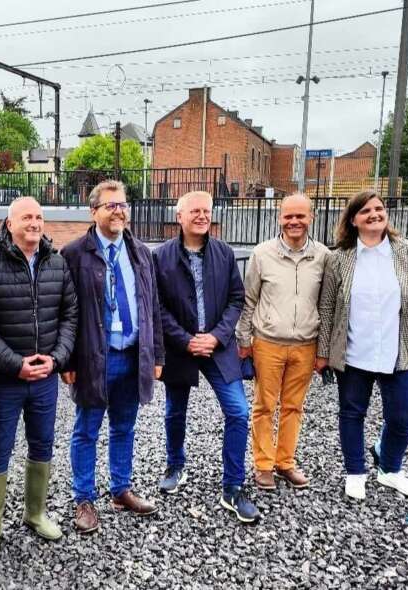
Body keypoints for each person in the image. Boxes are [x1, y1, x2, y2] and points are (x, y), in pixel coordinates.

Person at [0, 196, 77, 559]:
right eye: (26, 216)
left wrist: (57, 359)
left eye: (39, 216)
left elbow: (69, 315)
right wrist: (15, 363)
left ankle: (35, 513)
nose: (34, 222)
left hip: (45, 378)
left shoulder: (56, 263)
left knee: (42, 445)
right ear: (9, 224)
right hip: (7, 380)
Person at [317, 190, 408, 501]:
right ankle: (355, 471)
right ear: (353, 220)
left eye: (379, 208)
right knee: (352, 413)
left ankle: (390, 468)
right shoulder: (338, 259)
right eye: (365, 210)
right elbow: (327, 307)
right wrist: (325, 352)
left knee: (404, 415)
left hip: (401, 353)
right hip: (354, 352)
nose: (374, 214)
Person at [61, 180, 164, 534]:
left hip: (133, 356)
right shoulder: (75, 254)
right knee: (87, 429)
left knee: (125, 426)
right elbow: (67, 312)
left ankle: (121, 490)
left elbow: (152, 307)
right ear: (94, 212)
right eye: (110, 206)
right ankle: (83, 499)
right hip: (94, 358)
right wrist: (68, 360)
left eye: (122, 205)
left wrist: (156, 354)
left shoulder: (141, 252)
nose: (119, 211)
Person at [153, 191, 260, 523]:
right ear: (179, 216)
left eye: (206, 211)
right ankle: (175, 464)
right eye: (194, 211)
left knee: (238, 412)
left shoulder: (224, 253)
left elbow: (236, 298)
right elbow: (157, 306)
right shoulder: (162, 257)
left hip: (218, 346)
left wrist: (216, 336)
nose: (201, 216)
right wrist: (186, 341)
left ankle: (233, 487)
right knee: (175, 411)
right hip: (181, 347)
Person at [235, 193, 330, 491]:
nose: (294, 222)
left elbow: (327, 305)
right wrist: (243, 339)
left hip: (306, 344)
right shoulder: (262, 254)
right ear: (280, 218)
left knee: (293, 407)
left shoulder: (324, 256)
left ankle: (285, 462)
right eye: (289, 216)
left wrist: (323, 350)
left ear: (311, 218)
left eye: (300, 216)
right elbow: (249, 300)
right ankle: (263, 464)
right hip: (267, 343)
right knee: (264, 405)